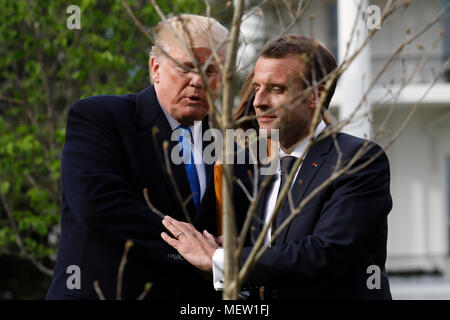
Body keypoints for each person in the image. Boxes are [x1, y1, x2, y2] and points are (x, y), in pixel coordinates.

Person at [160, 34, 393, 300]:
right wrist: (237, 249)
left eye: (277, 89)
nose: (258, 101)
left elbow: (324, 254)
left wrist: (220, 259)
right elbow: (276, 253)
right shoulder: (260, 166)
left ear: (316, 96)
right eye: (257, 87)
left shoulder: (358, 159)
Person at [46, 14, 250, 300]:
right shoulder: (100, 117)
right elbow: (99, 204)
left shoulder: (229, 148)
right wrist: (191, 250)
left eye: (210, 71)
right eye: (186, 67)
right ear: (155, 68)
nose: (197, 81)